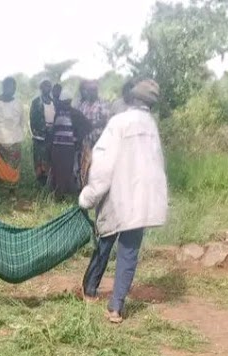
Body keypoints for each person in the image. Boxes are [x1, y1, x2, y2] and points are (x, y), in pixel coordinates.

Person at [80, 80, 168, 324]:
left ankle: (89, 290)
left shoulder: (119, 123)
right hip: (141, 201)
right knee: (129, 252)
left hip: (117, 196)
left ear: (132, 99)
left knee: (105, 241)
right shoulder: (151, 125)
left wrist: (89, 195)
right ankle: (116, 307)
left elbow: (103, 165)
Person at [49, 91, 92, 196]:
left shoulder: (75, 113)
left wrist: (78, 138)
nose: (63, 104)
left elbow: (88, 126)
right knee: (57, 169)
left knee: (67, 169)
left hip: (69, 147)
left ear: (69, 102)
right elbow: (54, 129)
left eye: (65, 103)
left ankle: (65, 192)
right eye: (62, 102)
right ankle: (58, 191)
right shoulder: (58, 113)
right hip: (57, 147)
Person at [76, 80, 110, 185]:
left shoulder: (103, 104)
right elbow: (79, 120)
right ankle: (85, 188)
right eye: (89, 90)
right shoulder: (83, 105)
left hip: (99, 140)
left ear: (97, 91)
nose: (92, 92)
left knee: (98, 165)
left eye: (94, 90)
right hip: (86, 140)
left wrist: (90, 126)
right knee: (85, 165)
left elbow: (105, 120)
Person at [30, 79, 56, 186]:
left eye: (49, 86)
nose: (47, 88)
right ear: (41, 88)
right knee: (40, 160)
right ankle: (41, 182)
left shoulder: (53, 101)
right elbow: (32, 120)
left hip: (52, 135)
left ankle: (49, 182)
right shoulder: (36, 102)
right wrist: (42, 130)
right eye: (45, 86)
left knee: (50, 159)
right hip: (40, 136)